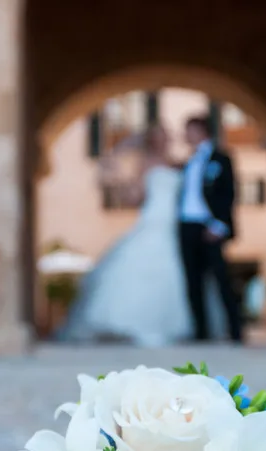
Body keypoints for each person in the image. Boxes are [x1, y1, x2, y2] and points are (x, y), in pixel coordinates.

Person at [57, 124, 192, 346]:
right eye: (160, 137)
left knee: (171, 274)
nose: (164, 141)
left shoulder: (179, 164)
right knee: (145, 270)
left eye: (166, 137)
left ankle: (163, 323)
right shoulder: (145, 164)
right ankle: (137, 324)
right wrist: (118, 179)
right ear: (153, 140)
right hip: (152, 220)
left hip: (175, 225)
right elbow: (134, 198)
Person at [179, 115, 242, 342]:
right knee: (192, 281)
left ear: (201, 131)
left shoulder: (221, 158)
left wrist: (219, 224)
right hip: (187, 226)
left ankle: (236, 330)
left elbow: (229, 193)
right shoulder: (188, 161)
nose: (185, 136)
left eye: (189, 130)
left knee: (221, 278)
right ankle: (201, 331)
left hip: (210, 226)